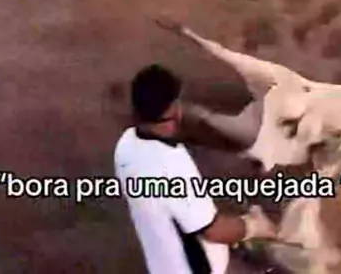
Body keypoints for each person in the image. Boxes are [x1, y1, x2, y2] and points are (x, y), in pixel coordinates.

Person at [114, 65, 276, 274]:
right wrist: (252, 226)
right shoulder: (171, 166)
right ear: (175, 110)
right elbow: (214, 231)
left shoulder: (126, 146)